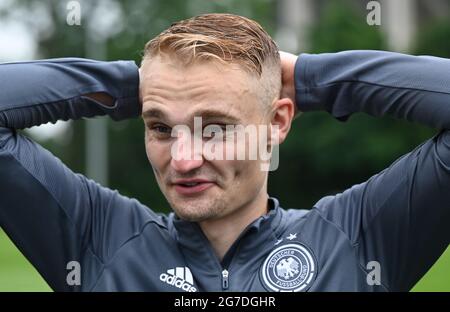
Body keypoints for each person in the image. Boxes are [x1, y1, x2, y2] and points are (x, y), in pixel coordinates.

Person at [0, 13, 449, 292]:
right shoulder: (97, 239)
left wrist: (313, 76)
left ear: (278, 123)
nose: (183, 159)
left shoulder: (359, 237)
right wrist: (126, 86)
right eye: (160, 126)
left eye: (213, 129)